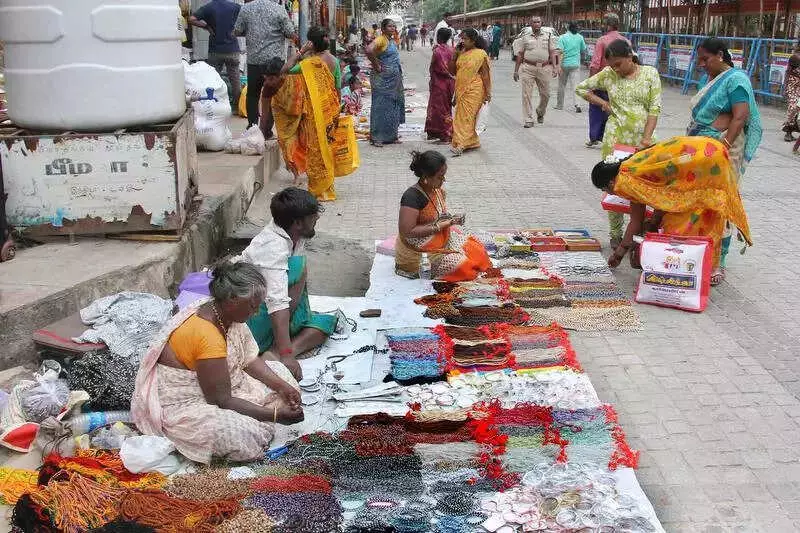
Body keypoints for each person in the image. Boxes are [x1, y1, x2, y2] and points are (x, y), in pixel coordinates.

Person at [131, 262, 304, 465]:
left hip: (224, 384)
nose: (257, 312)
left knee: (281, 375)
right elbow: (222, 400)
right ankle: (260, 416)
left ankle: (263, 410)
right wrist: (275, 415)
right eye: (252, 306)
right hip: (189, 402)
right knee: (240, 436)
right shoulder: (208, 336)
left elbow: (248, 359)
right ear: (232, 299)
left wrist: (283, 387)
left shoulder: (225, 313)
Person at [590, 137, 752, 285]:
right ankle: (701, 267)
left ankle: (686, 272)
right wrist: (653, 222)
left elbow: (636, 222)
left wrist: (619, 254)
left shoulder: (625, 182)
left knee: (683, 224)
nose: (609, 194)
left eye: (605, 190)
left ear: (610, 183)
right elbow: (662, 196)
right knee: (704, 210)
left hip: (704, 162)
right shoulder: (630, 166)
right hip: (710, 149)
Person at [687, 37, 763, 282]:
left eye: (705, 59)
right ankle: (699, 251)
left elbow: (740, 116)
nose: (701, 64)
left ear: (720, 55)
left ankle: (719, 262)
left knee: (721, 202)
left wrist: (724, 145)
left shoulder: (736, 80)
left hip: (725, 150)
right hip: (703, 148)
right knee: (700, 200)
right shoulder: (711, 79)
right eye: (699, 59)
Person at [242, 187, 337, 378]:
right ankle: (279, 352)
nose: (317, 218)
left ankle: (275, 353)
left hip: (275, 310)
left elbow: (288, 295)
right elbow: (276, 303)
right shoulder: (272, 247)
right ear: (298, 223)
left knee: (325, 324)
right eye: (313, 216)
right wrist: (287, 355)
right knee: (297, 269)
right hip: (253, 316)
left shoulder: (294, 234)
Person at [576, 39, 662, 250]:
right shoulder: (608, 74)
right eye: (612, 65)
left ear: (630, 57)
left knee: (645, 186)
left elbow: (655, 109)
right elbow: (581, 88)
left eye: (618, 64)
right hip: (615, 139)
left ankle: (640, 230)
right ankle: (615, 233)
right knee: (614, 185)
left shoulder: (650, 74)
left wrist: (646, 139)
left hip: (644, 141)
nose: (616, 69)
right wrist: (603, 103)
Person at [267, 28, 341, 200]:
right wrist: (337, 109)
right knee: (327, 147)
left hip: (314, 113)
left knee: (315, 149)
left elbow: (284, 70)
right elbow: (337, 87)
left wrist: (301, 51)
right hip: (329, 111)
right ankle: (328, 185)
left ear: (311, 44)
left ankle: (318, 187)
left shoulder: (307, 64)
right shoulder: (334, 61)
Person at [396, 151, 492, 281]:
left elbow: (437, 217)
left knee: (477, 250)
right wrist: (441, 225)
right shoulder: (412, 197)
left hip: (439, 239)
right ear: (426, 176)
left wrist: (451, 220)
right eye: (440, 177)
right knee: (463, 266)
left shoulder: (436, 190)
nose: (443, 180)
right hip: (418, 250)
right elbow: (407, 231)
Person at [235, 0, 296, 139]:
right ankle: (267, 130)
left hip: (254, 60)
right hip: (275, 62)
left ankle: (252, 127)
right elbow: (290, 33)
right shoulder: (279, 9)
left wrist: (252, 32)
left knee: (252, 94)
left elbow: (237, 30)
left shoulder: (246, 8)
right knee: (273, 95)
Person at [189, 0, 242, 111]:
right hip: (232, 49)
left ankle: (216, 106)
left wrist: (206, 26)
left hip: (215, 50)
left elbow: (191, 19)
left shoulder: (209, 7)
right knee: (235, 80)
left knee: (213, 79)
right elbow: (245, 17)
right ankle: (238, 107)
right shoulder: (235, 7)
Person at [586, 13, 628, 148]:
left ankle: (594, 137)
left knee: (596, 109)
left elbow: (595, 64)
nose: (602, 26)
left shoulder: (602, 40)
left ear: (608, 25)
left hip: (603, 82)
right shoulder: (626, 41)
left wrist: (591, 84)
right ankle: (616, 137)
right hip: (621, 81)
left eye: (603, 24)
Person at [449, 27, 491, 156]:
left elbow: (485, 74)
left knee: (466, 117)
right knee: (461, 117)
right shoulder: (460, 53)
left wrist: (488, 92)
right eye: (461, 38)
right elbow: (452, 71)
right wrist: (455, 55)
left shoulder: (481, 54)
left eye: (465, 39)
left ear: (473, 41)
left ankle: (461, 144)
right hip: (460, 88)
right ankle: (472, 141)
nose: (462, 41)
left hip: (475, 89)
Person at [366, 18, 405, 146]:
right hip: (382, 80)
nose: (393, 28)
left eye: (394, 26)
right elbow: (369, 50)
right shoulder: (381, 39)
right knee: (380, 106)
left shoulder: (391, 40)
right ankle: (377, 137)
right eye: (389, 26)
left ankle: (391, 136)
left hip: (394, 80)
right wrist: (376, 65)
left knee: (393, 106)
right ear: (383, 29)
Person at [513, 16, 558, 127]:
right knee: (526, 94)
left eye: (538, 22)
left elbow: (552, 52)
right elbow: (520, 54)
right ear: (531, 24)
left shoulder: (548, 35)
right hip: (528, 68)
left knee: (546, 94)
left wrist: (555, 67)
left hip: (544, 68)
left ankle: (540, 111)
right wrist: (516, 70)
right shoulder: (525, 36)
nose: (537, 24)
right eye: (534, 22)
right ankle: (528, 119)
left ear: (541, 23)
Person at [425, 28, 455, 143]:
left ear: (439, 37)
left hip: (438, 82)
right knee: (446, 107)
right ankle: (440, 131)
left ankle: (443, 133)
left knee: (436, 108)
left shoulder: (437, 51)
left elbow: (432, 66)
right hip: (449, 83)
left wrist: (431, 79)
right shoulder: (452, 50)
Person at [555, 22, 587, 113]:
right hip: (575, 65)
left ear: (568, 28)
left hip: (564, 64)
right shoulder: (580, 37)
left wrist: (558, 66)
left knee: (561, 85)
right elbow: (583, 49)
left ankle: (559, 105)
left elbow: (559, 52)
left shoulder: (562, 37)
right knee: (576, 85)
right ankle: (577, 105)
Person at [781, 40, 800, 142]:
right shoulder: (795, 57)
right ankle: (788, 132)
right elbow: (788, 72)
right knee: (793, 108)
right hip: (793, 87)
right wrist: (784, 88)